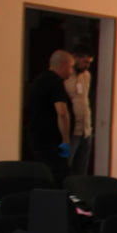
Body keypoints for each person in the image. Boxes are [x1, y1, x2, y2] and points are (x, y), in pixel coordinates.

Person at [24, 49, 74, 186]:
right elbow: (62, 112)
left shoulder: (39, 80)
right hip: (51, 142)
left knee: (43, 176)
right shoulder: (55, 81)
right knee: (58, 178)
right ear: (63, 65)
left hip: (37, 139)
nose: (71, 72)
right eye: (71, 67)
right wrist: (66, 140)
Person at [63, 46, 94, 175]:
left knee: (82, 167)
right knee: (67, 164)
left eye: (89, 62)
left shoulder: (86, 76)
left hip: (85, 129)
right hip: (72, 129)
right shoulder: (66, 76)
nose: (87, 66)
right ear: (75, 58)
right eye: (84, 62)